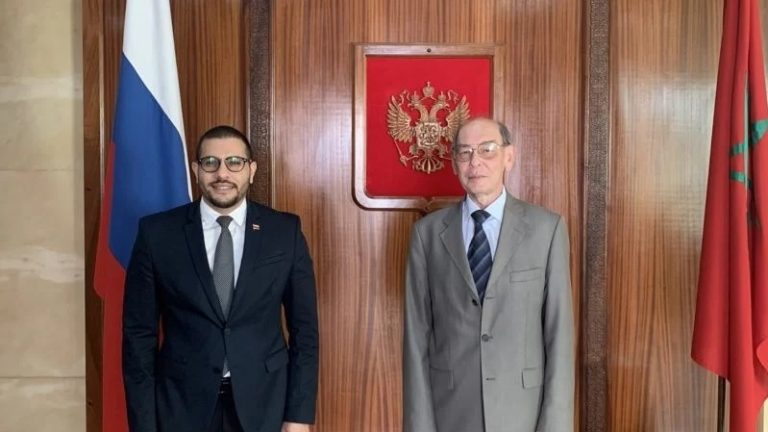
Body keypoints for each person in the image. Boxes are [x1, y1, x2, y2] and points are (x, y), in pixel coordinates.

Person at [122, 125, 318, 432]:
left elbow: (305, 332)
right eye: (210, 162)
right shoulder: (157, 234)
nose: (222, 173)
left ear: (251, 170)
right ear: (196, 170)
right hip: (181, 407)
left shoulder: (284, 233)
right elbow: (138, 337)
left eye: (234, 162)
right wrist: (144, 425)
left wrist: (299, 416)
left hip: (265, 405)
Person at [403, 117, 574, 432]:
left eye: (487, 150)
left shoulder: (546, 230)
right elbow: (416, 338)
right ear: (454, 163)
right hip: (451, 413)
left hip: (522, 414)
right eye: (465, 152)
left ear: (509, 156)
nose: (475, 162)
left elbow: (559, 335)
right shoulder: (427, 235)